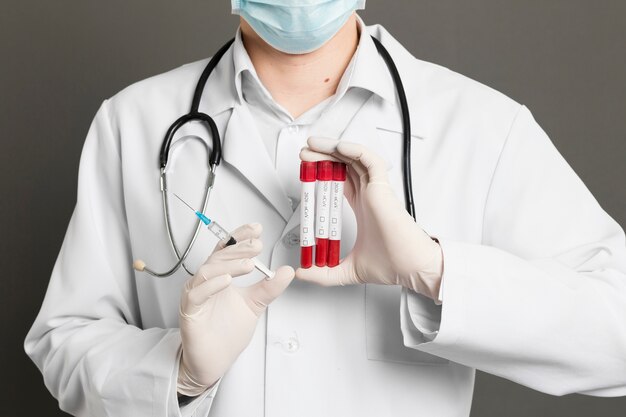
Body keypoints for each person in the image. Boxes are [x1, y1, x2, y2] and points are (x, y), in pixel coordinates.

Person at [25, 1, 626, 416]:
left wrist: (433, 270)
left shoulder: (481, 127)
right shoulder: (135, 124)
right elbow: (64, 340)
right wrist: (180, 372)